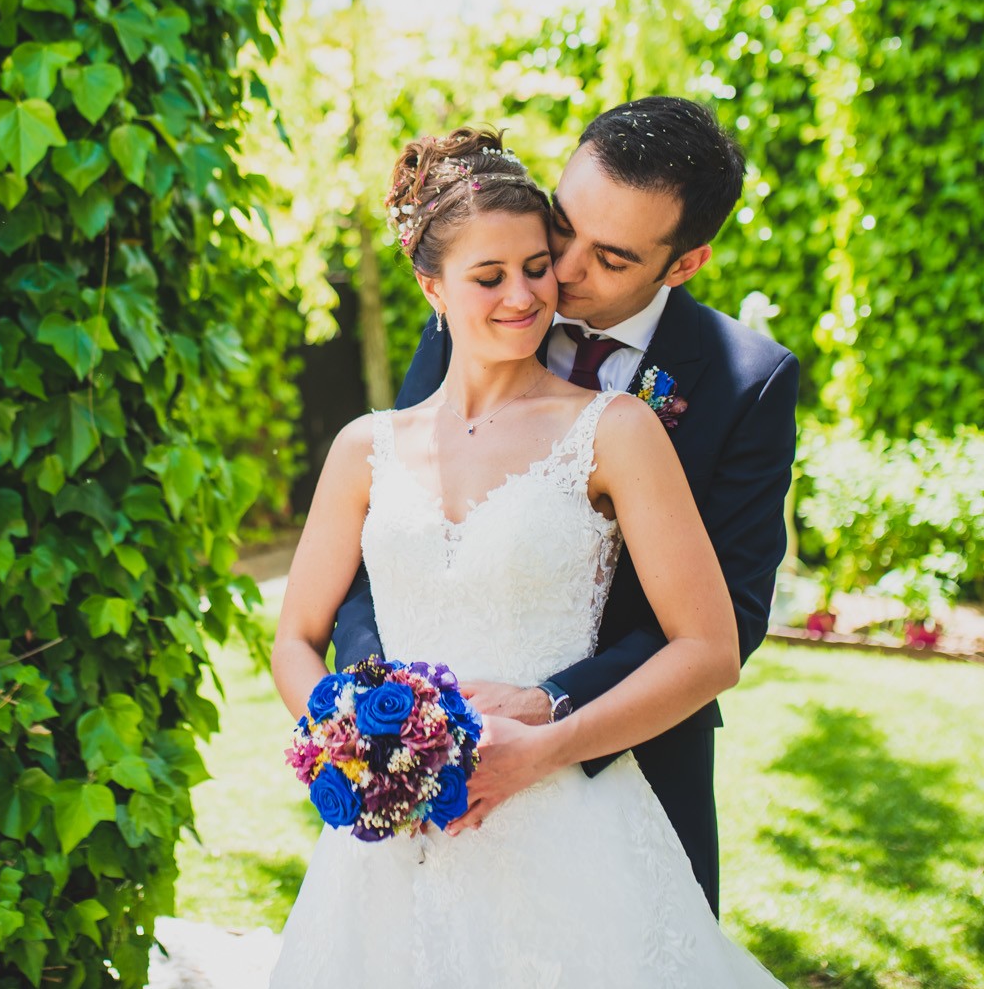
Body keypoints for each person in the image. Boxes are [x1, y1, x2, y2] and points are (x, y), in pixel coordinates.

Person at [268, 126, 784, 986]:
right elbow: (364, 580)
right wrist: (364, 730)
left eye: (587, 259)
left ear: (682, 263)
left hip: (590, 789)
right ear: (433, 287)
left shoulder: (646, 418)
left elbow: (717, 632)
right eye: (559, 234)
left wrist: (548, 726)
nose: (550, 280)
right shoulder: (378, 431)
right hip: (395, 830)